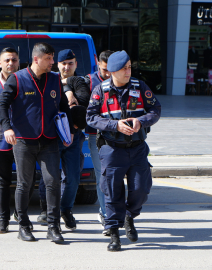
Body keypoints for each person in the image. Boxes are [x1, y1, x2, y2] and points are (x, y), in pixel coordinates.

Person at [0, 42, 75, 243]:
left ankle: (53, 226)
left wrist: (70, 130)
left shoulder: (55, 80)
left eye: (52, 58)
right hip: (24, 141)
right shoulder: (17, 79)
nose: (52, 62)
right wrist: (7, 127)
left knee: (53, 182)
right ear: (36, 59)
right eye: (49, 58)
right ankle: (23, 226)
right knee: (24, 184)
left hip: (49, 140)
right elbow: (2, 105)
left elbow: (64, 107)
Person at [86, 50, 161, 251]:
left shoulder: (139, 86)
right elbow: (91, 118)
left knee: (141, 189)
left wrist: (141, 120)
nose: (128, 71)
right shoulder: (99, 91)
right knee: (110, 191)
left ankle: (129, 215)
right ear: (112, 71)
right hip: (112, 149)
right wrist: (114, 125)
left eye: (129, 67)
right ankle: (114, 235)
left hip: (137, 148)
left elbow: (156, 110)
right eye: (124, 68)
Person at [0, 47, 33, 233]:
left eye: (14, 60)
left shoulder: (26, 80)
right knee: (3, 181)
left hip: (24, 140)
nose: (11, 64)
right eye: (7, 60)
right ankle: (3, 219)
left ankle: (21, 214)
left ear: (19, 62)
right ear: (0, 63)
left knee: (26, 180)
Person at [37, 49, 90, 230]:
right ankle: (46, 210)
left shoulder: (81, 82)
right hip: (52, 136)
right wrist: (68, 93)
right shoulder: (47, 80)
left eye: (70, 63)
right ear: (57, 64)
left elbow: (83, 101)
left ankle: (66, 210)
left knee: (73, 177)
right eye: (63, 63)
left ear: (76, 64)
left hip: (74, 137)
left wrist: (67, 87)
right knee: (48, 177)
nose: (66, 67)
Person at [84, 50, 113, 232]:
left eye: (112, 70)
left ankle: (113, 212)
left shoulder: (121, 80)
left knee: (114, 176)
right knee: (102, 174)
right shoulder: (89, 81)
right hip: (96, 136)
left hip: (118, 136)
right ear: (98, 64)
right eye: (104, 70)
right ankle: (105, 213)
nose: (108, 74)